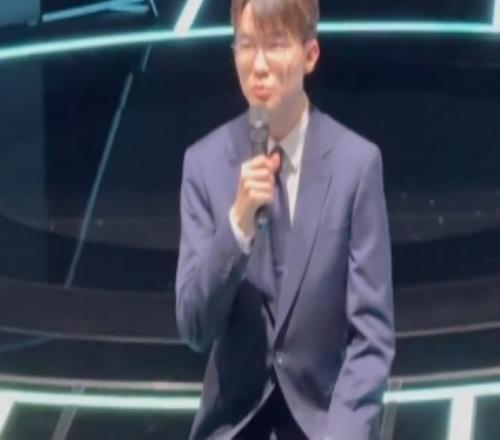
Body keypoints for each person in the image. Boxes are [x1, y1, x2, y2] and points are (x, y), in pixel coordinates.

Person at [175, 0, 395, 438]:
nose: (258, 66)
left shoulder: (356, 165)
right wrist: (237, 225)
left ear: (310, 54)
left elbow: (371, 340)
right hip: (234, 427)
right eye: (246, 45)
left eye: (275, 45)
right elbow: (195, 327)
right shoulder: (203, 164)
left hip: (326, 425)